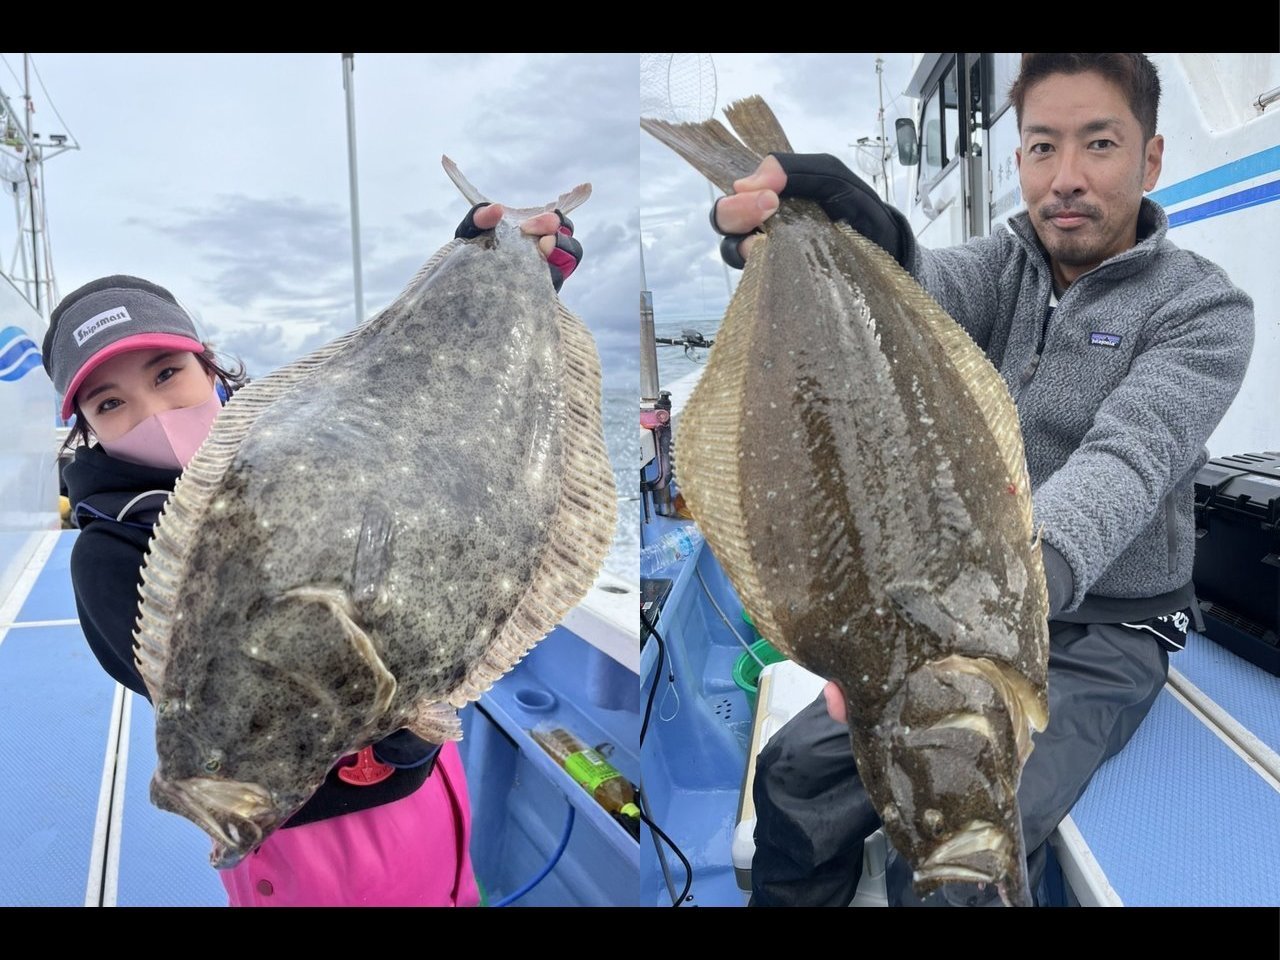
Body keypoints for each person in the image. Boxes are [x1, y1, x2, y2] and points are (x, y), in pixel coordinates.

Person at [708, 53, 1255, 906]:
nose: (1066, 178)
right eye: (1043, 148)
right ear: (1019, 162)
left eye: (1099, 144)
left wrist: (1005, 597)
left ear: (1149, 159)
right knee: (792, 776)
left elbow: (1129, 458)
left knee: (961, 857)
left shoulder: (1202, 309)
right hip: (944, 616)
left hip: (1106, 629)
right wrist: (863, 234)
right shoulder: (1002, 270)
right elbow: (920, 288)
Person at [41, 204, 581, 907]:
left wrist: (496, 286)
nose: (150, 412)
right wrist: (387, 726)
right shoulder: (110, 554)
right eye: (111, 404)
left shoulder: (309, 438)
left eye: (168, 373)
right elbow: (231, 713)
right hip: (308, 838)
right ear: (85, 429)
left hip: (435, 789)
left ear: (210, 370)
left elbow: (432, 427)